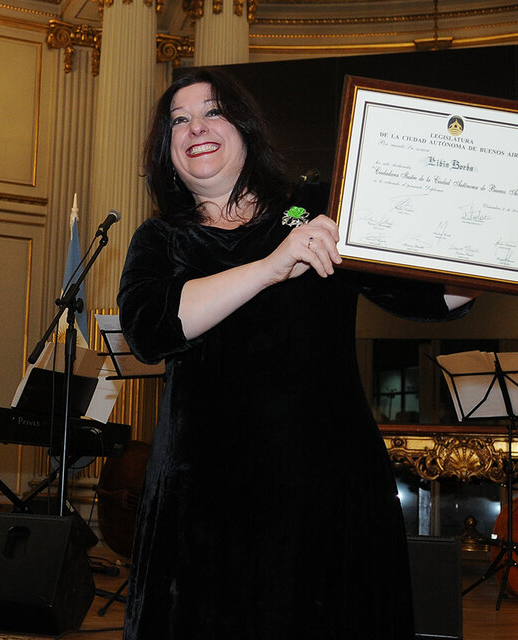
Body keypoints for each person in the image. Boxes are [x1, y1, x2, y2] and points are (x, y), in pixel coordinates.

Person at [116, 68, 475, 639]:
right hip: (206, 500)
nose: (195, 128)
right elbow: (151, 329)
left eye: (213, 112)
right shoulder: (161, 240)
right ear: (168, 151)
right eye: (178, 121)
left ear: (246, 127)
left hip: (327, 488)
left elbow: (427, 293)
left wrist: (484, 252)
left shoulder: (314, 209)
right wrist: (269, 267)